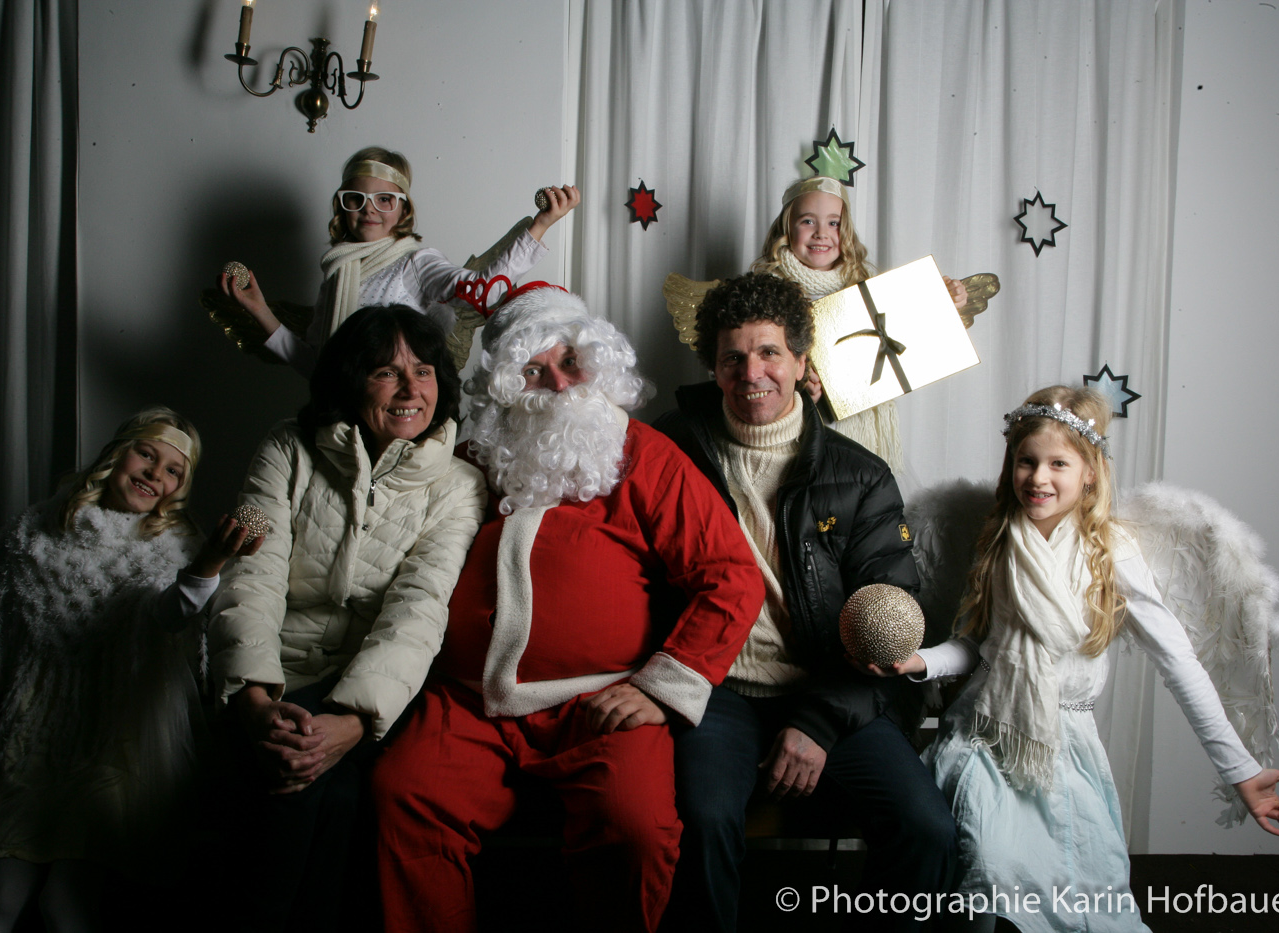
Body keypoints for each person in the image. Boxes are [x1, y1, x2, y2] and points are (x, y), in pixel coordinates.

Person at [370, 285, 764, 933]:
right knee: (404, 796)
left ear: (597, 364)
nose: (556, 383)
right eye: (533, 370)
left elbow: (730, 576)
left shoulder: (643, 452)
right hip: (469, 703)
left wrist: (662, 689)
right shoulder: (472, 458)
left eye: (571, 362)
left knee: (636, 829)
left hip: (601, 702)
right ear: (505, 388)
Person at [889, 385, 1279, 932]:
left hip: (1062, 748)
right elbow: (975, 646)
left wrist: (1241, 771)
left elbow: (1180, 665)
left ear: (1090, 472)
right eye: (1027, 461)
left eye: (1058, 463)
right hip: (983, 734)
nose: (1038, 477)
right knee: (985, 871)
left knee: (1074, 901)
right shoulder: (998, 542)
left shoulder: (1110, 553)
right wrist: (921, 662)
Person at [652, 272, 957, 932]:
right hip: (715, 686)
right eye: (733, 357)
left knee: (927, 828)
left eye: (769, 353)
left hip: (831, 683)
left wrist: (818, 723)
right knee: (700, 819)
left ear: (799, 360)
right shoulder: (667, 450)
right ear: (713, 366)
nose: (751, 373)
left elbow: (888, 616)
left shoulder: (860, 475)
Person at [208, 305, 487, 932]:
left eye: (423, 371)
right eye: (387, 372)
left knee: (315, 790)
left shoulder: (460, 484)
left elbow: (418, 610)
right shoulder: (288, 446)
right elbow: (252, 578)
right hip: (276, 675)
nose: (410, 389)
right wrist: (254, 702)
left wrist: (355, 722)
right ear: (350, 380)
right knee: (310, 787)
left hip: (379, 687)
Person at [0, 407, 258, 933]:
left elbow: (169, 616)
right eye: (146, 454)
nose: (154, 473)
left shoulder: (172, 545)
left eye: (173, 470)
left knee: (65, 901)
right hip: (33, 731)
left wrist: (207, 564)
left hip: (112, 736)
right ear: (117, 455)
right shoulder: (40, 527)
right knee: (0, 895)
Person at [219, 145, 580, 377]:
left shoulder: (416, 263)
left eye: (384, 199)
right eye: (356, 199)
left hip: (402, 421)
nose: (369, 210)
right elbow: (318, 366)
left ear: (403, 208)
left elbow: (482, 292)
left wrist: (540, 225)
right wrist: (259, 310)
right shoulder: (338, 272)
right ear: (341, 206)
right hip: (339, 420)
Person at [751, 175, 967, 472]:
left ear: (846, 230)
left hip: (857, 427)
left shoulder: (863, 285)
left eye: (833, 223)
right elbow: (755, 360)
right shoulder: (767, 292)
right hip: (795, 430)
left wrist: (944, 300)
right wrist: (798, 387)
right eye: (808, 221)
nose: (821, 233)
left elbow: (911, 335)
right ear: (787, 227)